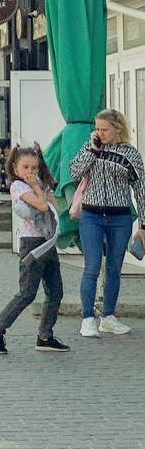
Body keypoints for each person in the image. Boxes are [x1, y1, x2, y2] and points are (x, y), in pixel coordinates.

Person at [0, 145, 68, 354]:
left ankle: (45, 336)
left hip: (47, 242)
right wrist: (38, 188)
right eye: (26, 167)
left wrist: (46, 191)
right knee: (27, 292)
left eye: (34, 167)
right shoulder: (19, 187)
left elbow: (54, 207)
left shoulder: (40, 183)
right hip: (32, 243)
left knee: (55, 291)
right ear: (15, 167)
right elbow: (40, 206)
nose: (30, 171)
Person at [69, 108, 145, 338]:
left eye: (104, 129)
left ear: (117, 129)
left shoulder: (130, 154)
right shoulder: (91, 147)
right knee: (92, 266)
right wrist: (92, 150)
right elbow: (74, 171)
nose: (99, 133)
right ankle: (87, 318)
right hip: (91, 215)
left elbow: (141, 189)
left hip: (119, 216)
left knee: (114, 267)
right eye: (97, 128)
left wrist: (143, 224)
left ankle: (109, 316)